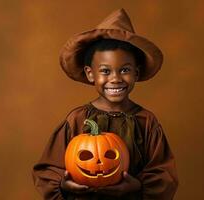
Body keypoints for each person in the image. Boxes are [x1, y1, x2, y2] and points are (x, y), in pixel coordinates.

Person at [32, 8, 178, 200]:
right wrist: (63, 184)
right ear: (90, 73)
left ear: (136, 72)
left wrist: (138, 186)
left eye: (124, 70)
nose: (116, 79)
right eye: (106, 71)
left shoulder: (147, 122)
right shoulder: (77, 119)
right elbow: (48, 169)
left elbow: (163, 173)